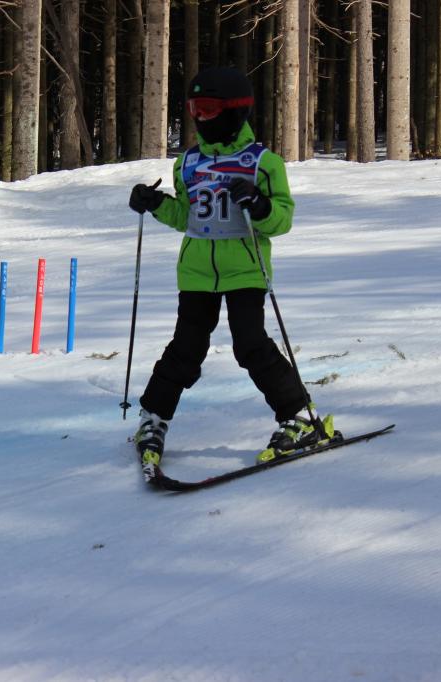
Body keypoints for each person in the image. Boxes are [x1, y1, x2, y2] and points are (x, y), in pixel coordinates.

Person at [127, 66, 323, 480]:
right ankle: (153, 416)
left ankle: (300, 416)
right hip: (196, 273)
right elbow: (187, 217)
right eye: (195, 108)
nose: (200, 117)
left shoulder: (262, 163)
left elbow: (282, 220)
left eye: (210, 108)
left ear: (234, 110)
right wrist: (156, 203)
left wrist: (260, 204)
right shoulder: (188, 164)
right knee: (185, 348)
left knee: (250, 345)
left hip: (245, 271)